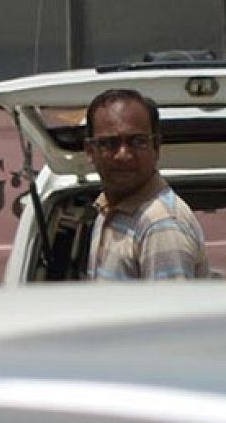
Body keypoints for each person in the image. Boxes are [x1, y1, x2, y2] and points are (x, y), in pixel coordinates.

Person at [84, 89, 209, 280]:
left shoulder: (160, 224)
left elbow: (169, 309)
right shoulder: (108, 209)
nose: (123, 155)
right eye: (110, 143)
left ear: (156, 147)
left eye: (137, 141)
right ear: (90, 151)